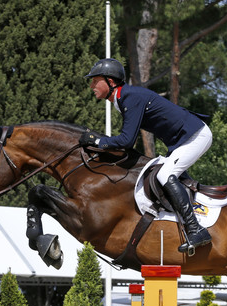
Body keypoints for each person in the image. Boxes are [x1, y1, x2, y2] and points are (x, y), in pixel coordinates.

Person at [82, 58, 213, 253]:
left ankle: (195, 230)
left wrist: (98, 142)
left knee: (164, 175)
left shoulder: (129, 97)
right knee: (164, 174)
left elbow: (126, 141)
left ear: (110, 81)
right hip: (182, 141)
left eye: (95, 80)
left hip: (194, 136)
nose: (92, 85)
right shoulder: (123, 98)